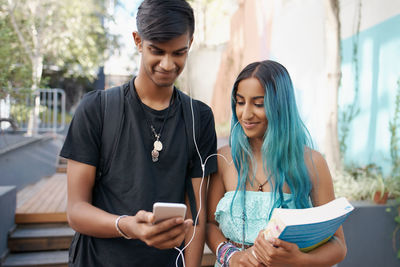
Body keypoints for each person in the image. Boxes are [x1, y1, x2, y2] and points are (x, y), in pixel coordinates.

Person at [60, 0, 217, 266]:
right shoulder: (97, 109)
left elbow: (197, 214)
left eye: (178, 53)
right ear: (138, 41)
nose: (168, 64)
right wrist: (128, 226)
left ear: (190, 43)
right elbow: (76, 211)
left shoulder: (198, 117)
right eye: (157, 51)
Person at [206, 60, 347, 267]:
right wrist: (231, 256)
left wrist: (299, 260)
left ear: (280, 105)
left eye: (259, 104)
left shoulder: (312, 163)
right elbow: (209, 225)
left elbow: (339, 245)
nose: (246, 114)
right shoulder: (224, 159)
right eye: (240, 102)